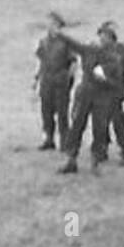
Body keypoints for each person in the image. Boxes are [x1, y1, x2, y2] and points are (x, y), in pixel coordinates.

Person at [56, 22, 124, 174]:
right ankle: (71, 159)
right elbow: (74, 45)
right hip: (86, 94)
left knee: (99, 130)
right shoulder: (90, 50)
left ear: (112, 40)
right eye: (101, 36)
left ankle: (96, 161)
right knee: (77, 126)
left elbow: (117, 83)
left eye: (106, 37)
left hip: (102, 97)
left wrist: (104, 80)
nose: (102, 39)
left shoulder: (114, 60)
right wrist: (60, 34)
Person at [33, 13, 77, 150]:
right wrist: (36, 78)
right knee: (46, 112)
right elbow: (41, 61)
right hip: (46, 80)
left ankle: (65, 141)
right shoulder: (44, 42)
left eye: (54, 24)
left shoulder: (66, 43)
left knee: (62, 113)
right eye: (50, 24)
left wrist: (69, 80)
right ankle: (49, 139)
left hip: (60, 81)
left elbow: (74, 63)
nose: (51, 27)